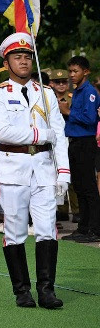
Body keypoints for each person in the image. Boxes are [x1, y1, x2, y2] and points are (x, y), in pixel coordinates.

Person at [0, 33, 69, 309]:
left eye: (27, 57)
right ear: (6, 63)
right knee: (15, 230)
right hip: (12, 168)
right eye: (17, 57)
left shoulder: (45, 93)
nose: (23, 62)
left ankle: (47, 290)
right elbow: (3, 132)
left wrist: (64, 172)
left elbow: (59, 134)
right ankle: (22, 291)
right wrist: (41, 134)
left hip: (44, 168)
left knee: (47, 229)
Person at [63, 56, 99, 242]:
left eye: (75, 71)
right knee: (79, 185)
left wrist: (68, 112)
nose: (71, 75)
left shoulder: (89, 92)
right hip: (75, 141)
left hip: (85, 141)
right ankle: (83, 227)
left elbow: (90, 118)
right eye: (70, 71)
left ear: (86, 72)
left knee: (88, 186)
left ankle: (95, 229)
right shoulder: (77, 91)